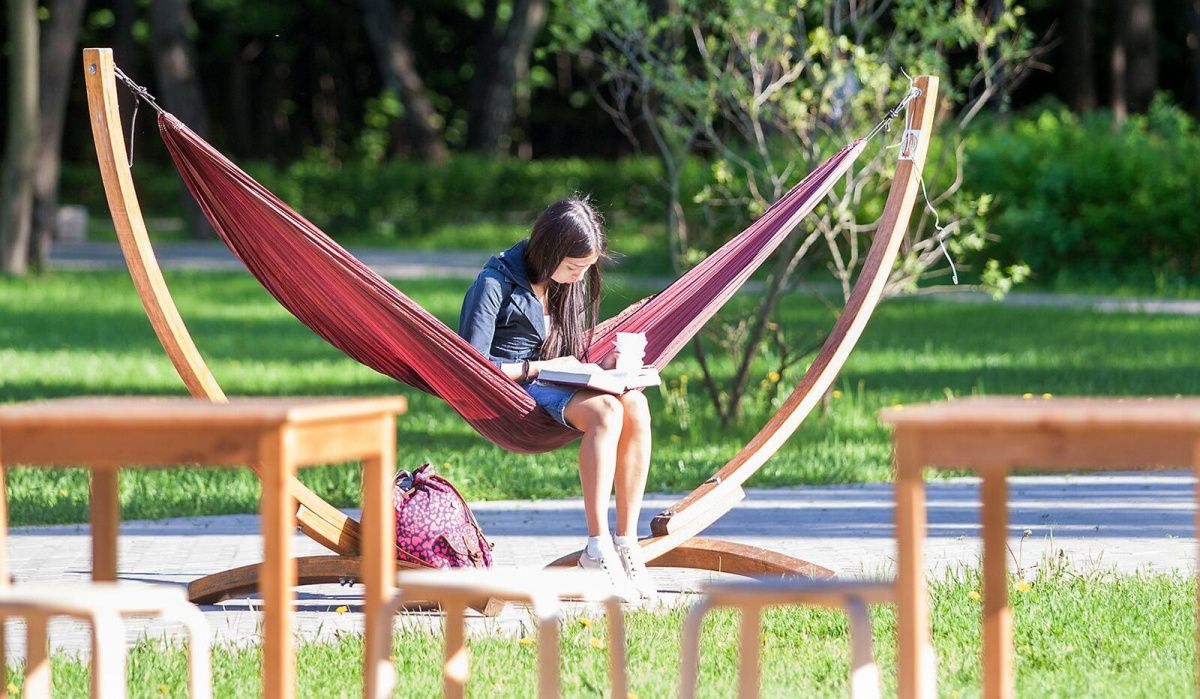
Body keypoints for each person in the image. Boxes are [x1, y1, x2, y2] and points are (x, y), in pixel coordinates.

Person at [458, 197, 656, 603]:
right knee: (605, 411)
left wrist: (603, 364)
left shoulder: (562, 284)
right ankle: (596, 546)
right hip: (515, 393)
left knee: (634, 402)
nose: (578, 277)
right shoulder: (493, 284)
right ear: (549, 249)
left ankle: (626, 542)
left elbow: (565, 357)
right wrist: (533, 368)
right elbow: (470, 367)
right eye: (573, 267)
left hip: (553, 381)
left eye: (585, 269)